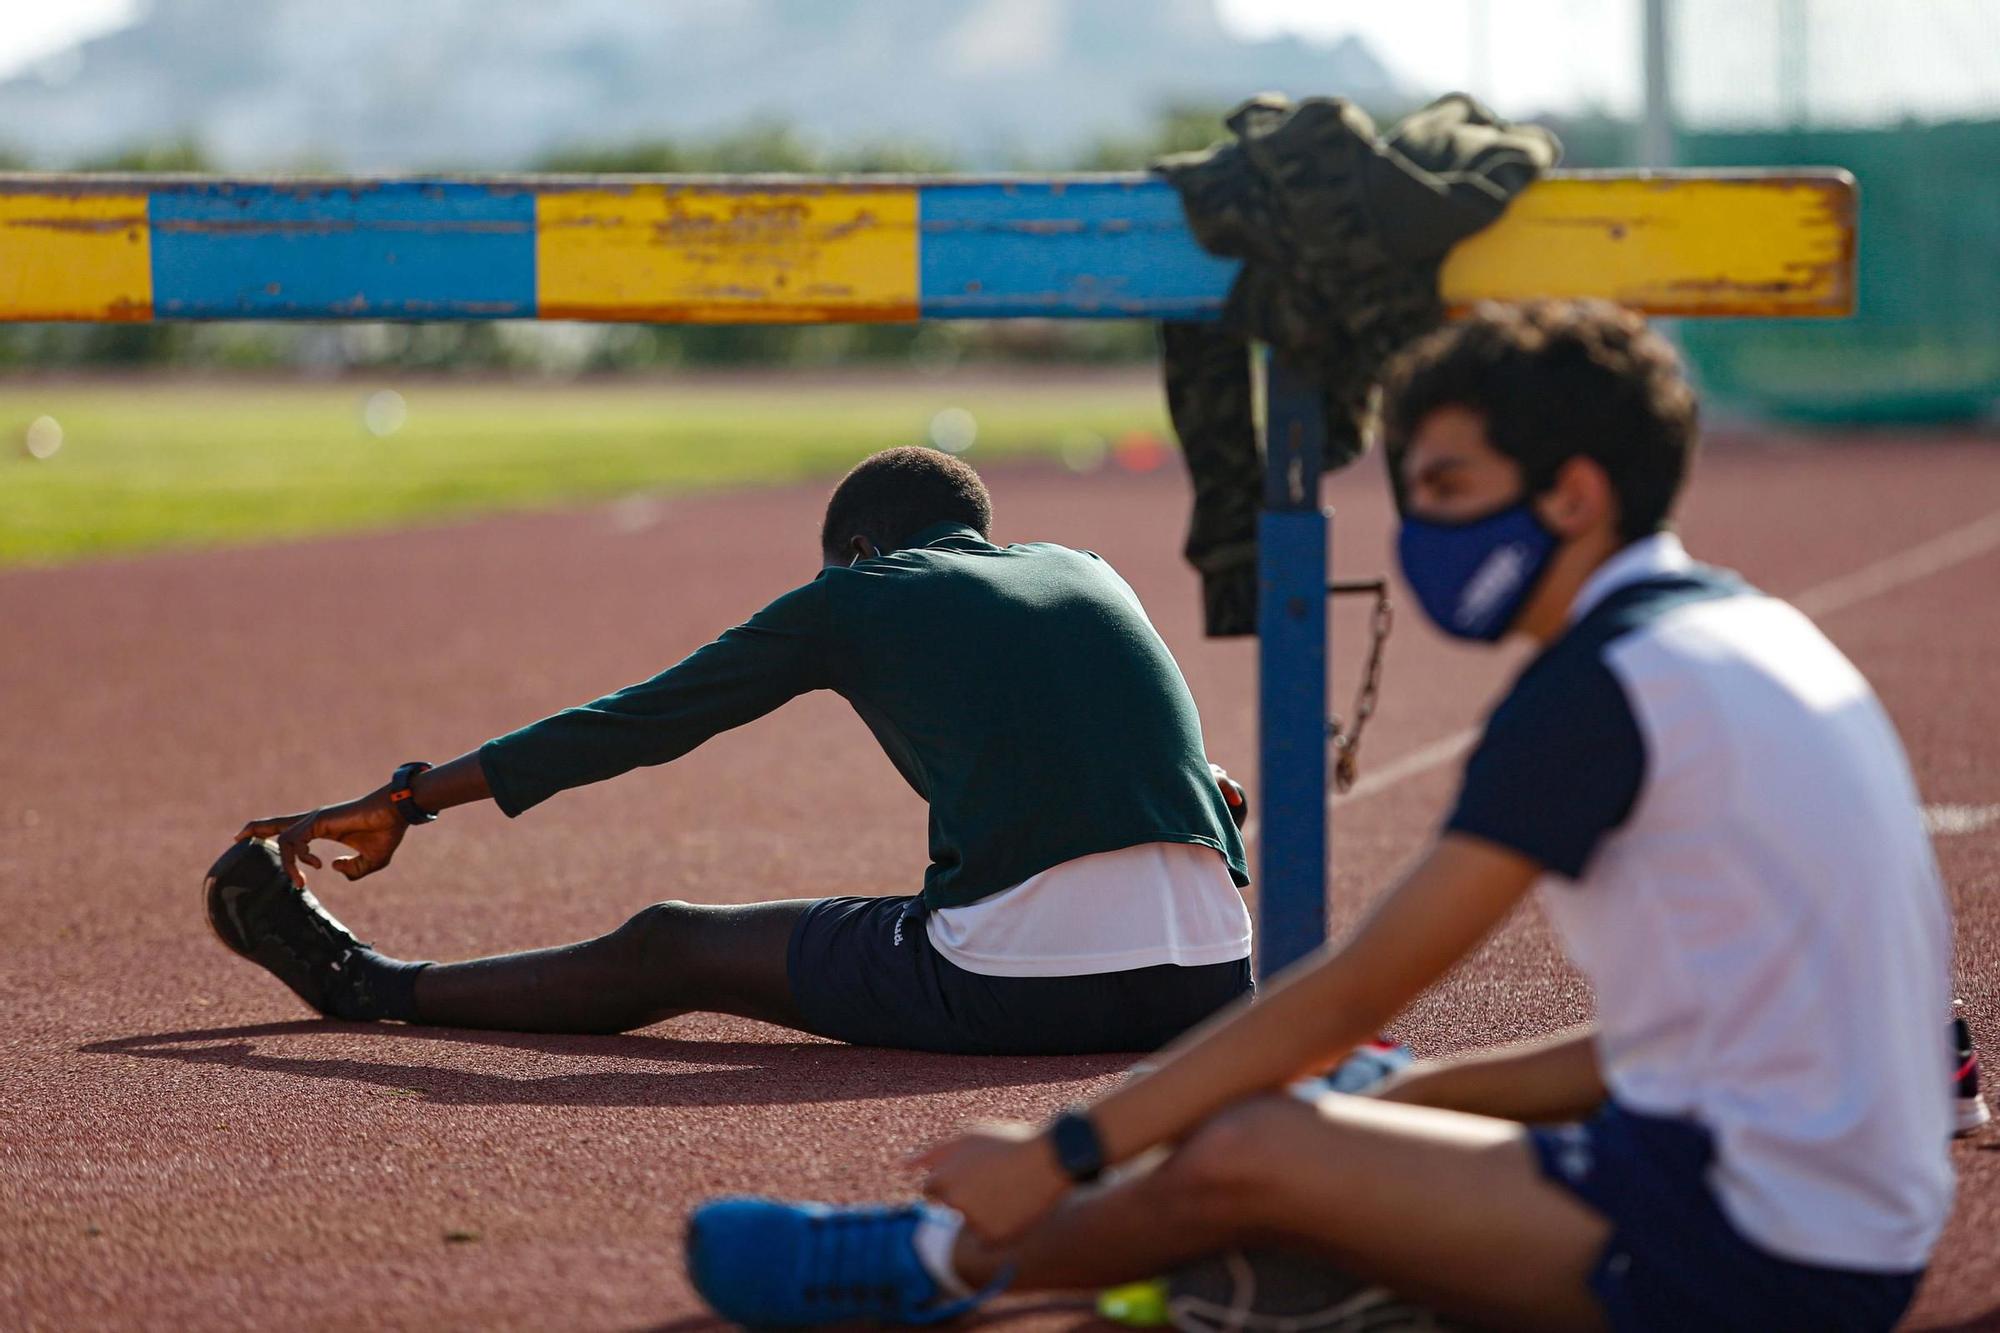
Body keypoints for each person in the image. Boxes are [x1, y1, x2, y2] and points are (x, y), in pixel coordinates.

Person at [686, 302, 1956, 1331]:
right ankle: (1308, 1263)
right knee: (1356, 1090)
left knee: (1257, 1147)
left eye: (1452, 484)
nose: (1420, 526)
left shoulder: (1597, 692)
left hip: (1767, 1255)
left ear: (1571, 494)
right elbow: (1673, 1044)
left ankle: (943, 1261)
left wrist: (1061, 1147)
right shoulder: (1747, 630)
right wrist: (1394, 1097)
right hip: (1841, 1209)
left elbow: (1356, 982)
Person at [207, 446, 1255, 1056]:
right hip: (1211, 981)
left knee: (672, 941)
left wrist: (410, 795)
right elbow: (1208, 780)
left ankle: (369, 983)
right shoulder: (1084, 570)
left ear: (853, 550)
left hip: (1020, 985)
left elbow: (637, 719)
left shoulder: (855, 595)